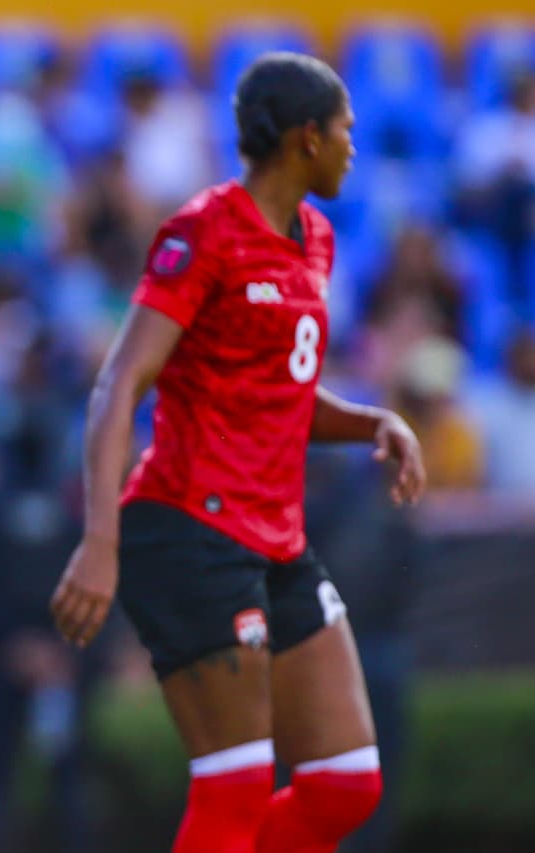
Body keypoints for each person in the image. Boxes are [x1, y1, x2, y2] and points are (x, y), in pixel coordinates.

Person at [49, 52, 427, 853]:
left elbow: (280, 390)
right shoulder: (204, 231)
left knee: (344, 783)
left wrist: (371, 423)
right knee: (236, 787)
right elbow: (120, 383)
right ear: (304, 138)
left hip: (274, 535)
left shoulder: (316, 239)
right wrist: (99, 541)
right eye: (344, 131)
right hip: (188, 527)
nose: (352, 147)